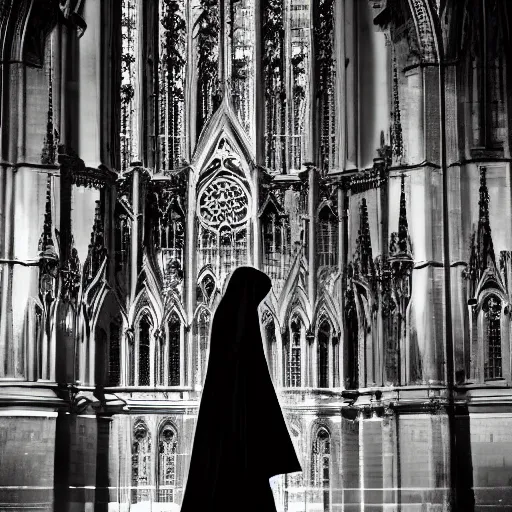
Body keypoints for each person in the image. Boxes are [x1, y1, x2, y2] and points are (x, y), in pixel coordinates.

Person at [180, 266, 302, 511]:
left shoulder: (230, 313)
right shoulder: (238, 316)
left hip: (229, 412)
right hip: (237, 415)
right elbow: (251, 370)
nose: (258, 301)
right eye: (257, 294)